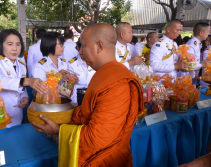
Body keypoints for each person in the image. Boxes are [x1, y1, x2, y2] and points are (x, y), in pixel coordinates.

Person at [32, 23, 144, 167]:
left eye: (84, 46)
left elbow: (97, 138)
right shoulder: (103, 73)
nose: (81, 52)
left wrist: (58, 130)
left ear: (99, 46)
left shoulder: (118, 82)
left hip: (104, 160)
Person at [0, 29, 48, 127]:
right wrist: (26, 81)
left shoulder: (21, 65)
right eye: (10, 44)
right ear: (1, 45)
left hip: (17, 115)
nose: (15, 48)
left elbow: (22, 88)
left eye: (18, 44)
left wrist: (24, 97)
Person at [67, 38, 96, 105]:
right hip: (77, 98)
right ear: (78, 47)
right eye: (83, 48)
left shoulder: (96, 63)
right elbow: (70, 87)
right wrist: (74, 102)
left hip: (93, 97)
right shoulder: (72, 64)